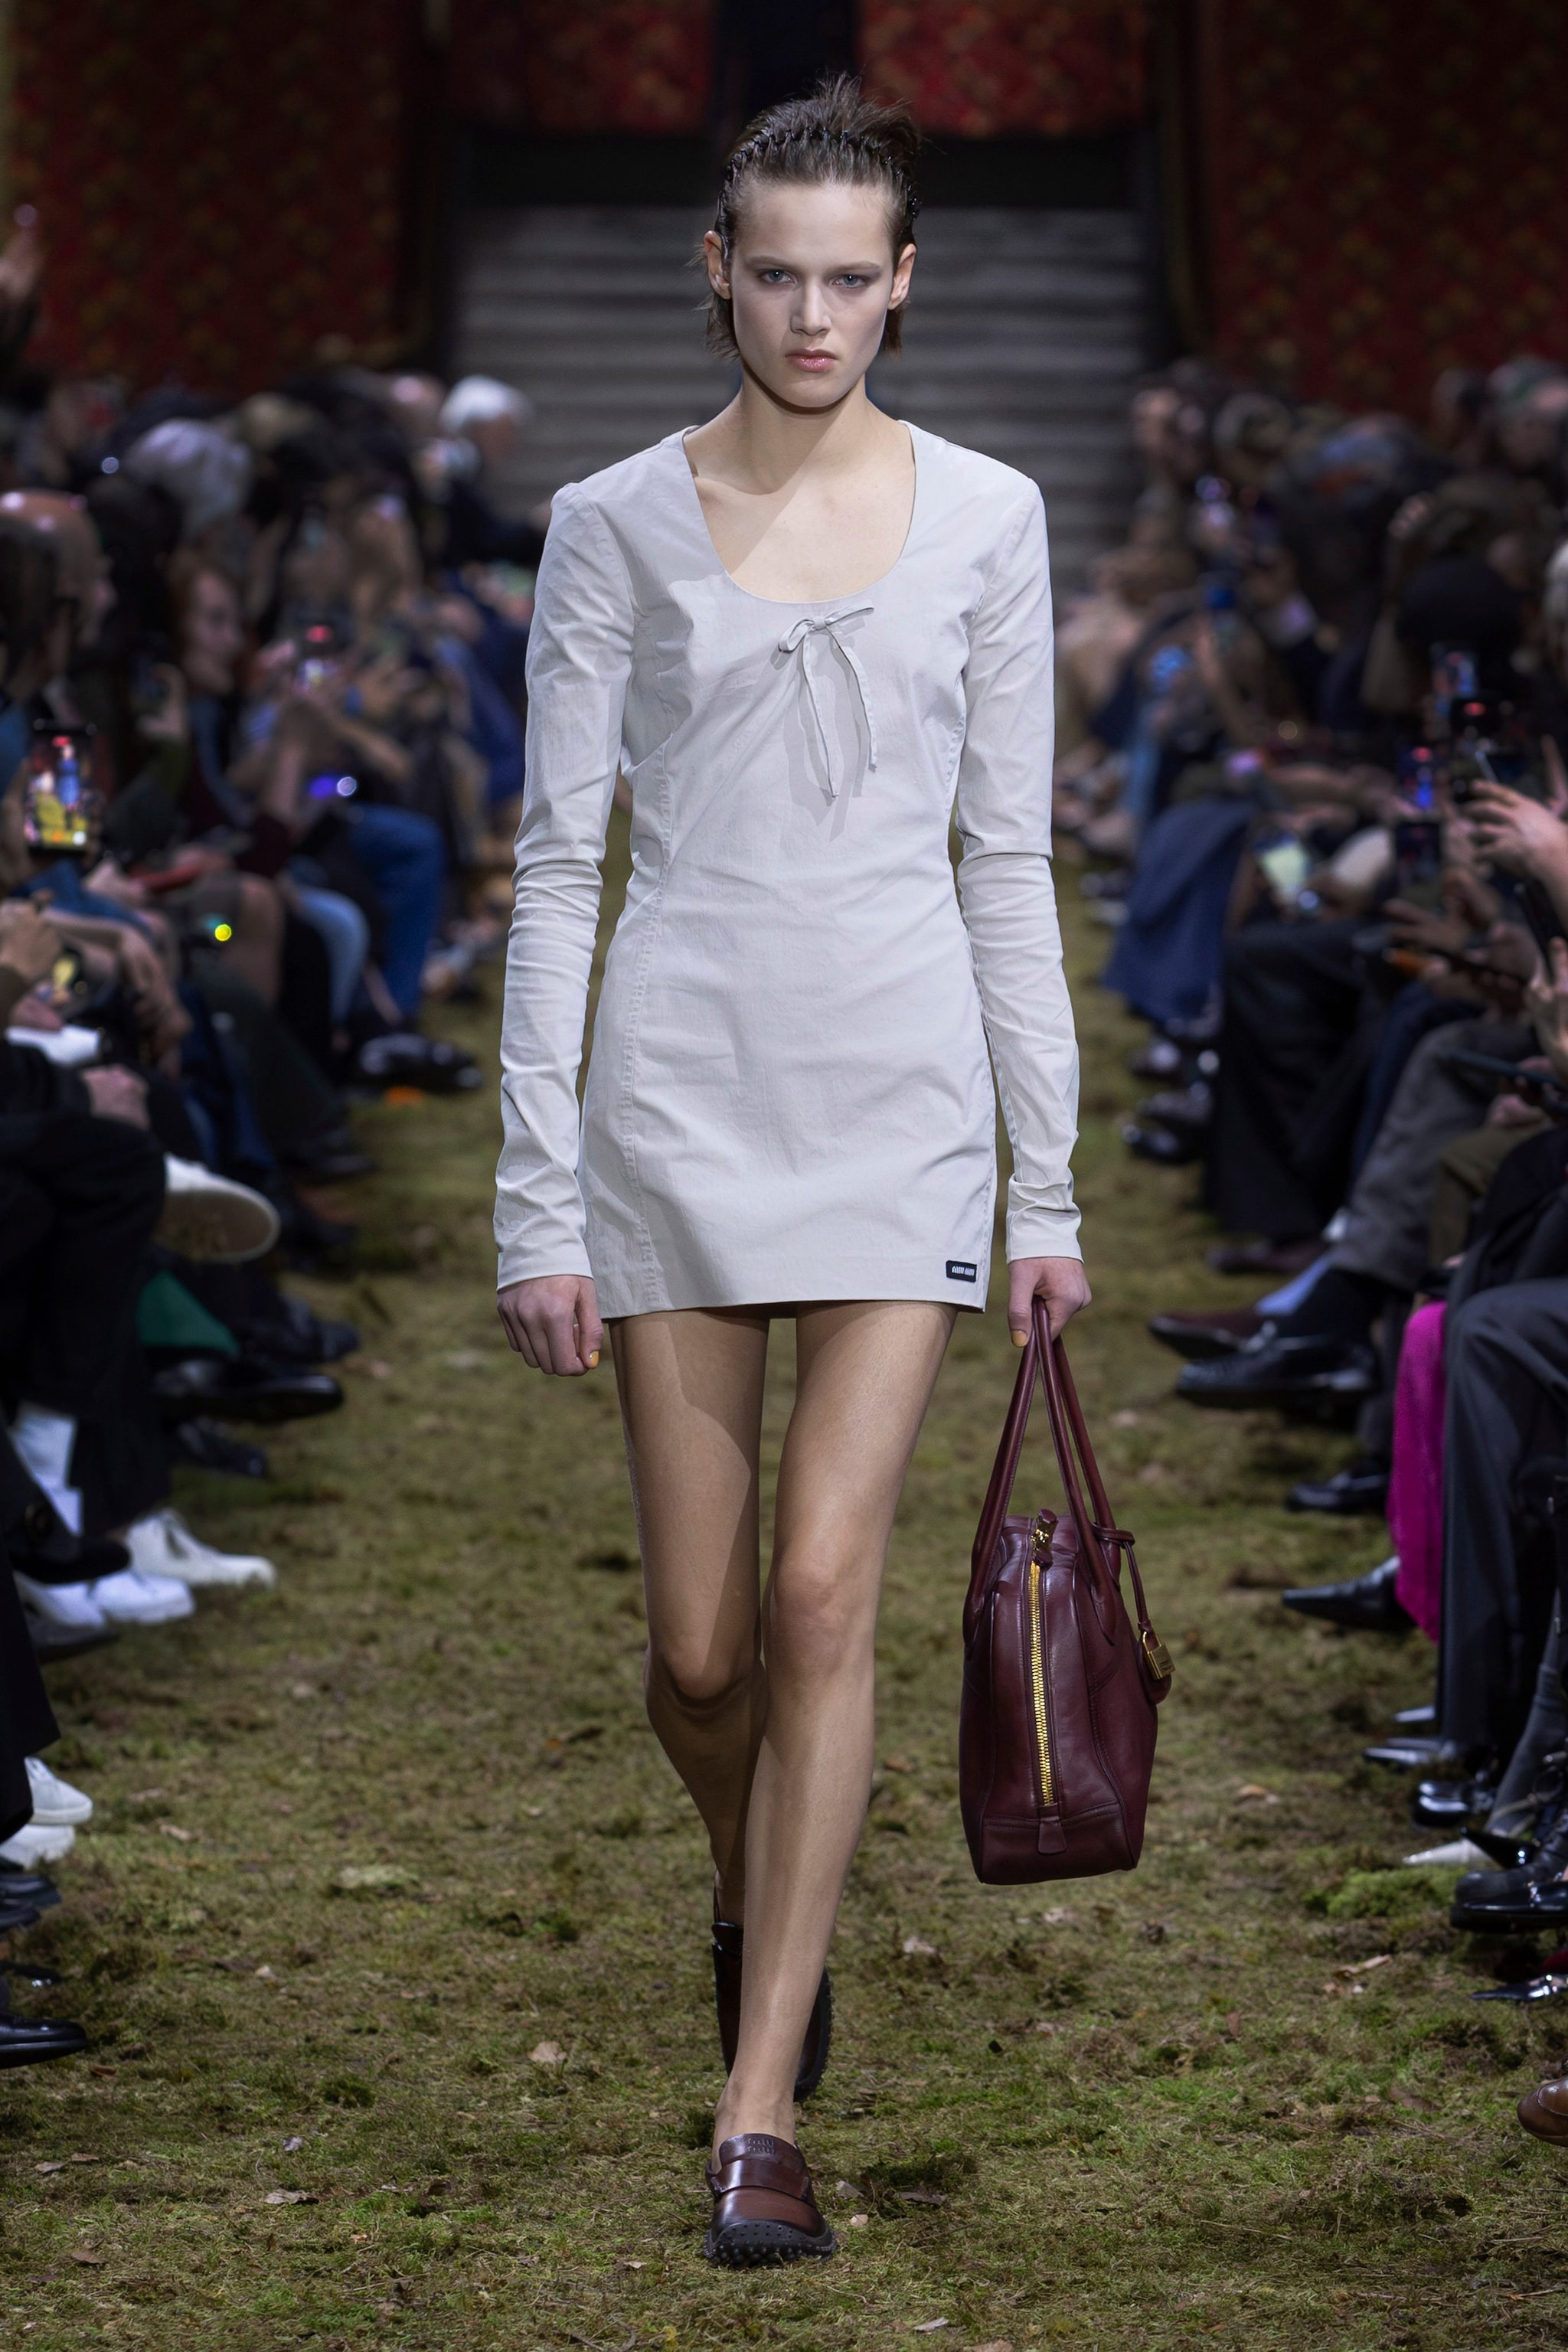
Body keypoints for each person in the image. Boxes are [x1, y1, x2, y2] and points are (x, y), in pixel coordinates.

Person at [493, 76, 1086, 2269]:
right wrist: (535, 1196)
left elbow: (1007, 859)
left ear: (904, 282)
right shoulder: (609, 523)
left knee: (831, 1598)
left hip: (901, 1096)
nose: (815, 315)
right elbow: (560, 869)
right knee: (701, 1651)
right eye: (779, 275)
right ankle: (762, 1889)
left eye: (853, 277)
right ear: (718, 275)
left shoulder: (995, 516)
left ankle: (760, 2110)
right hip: (675, 1100)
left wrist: (1046, 1186)